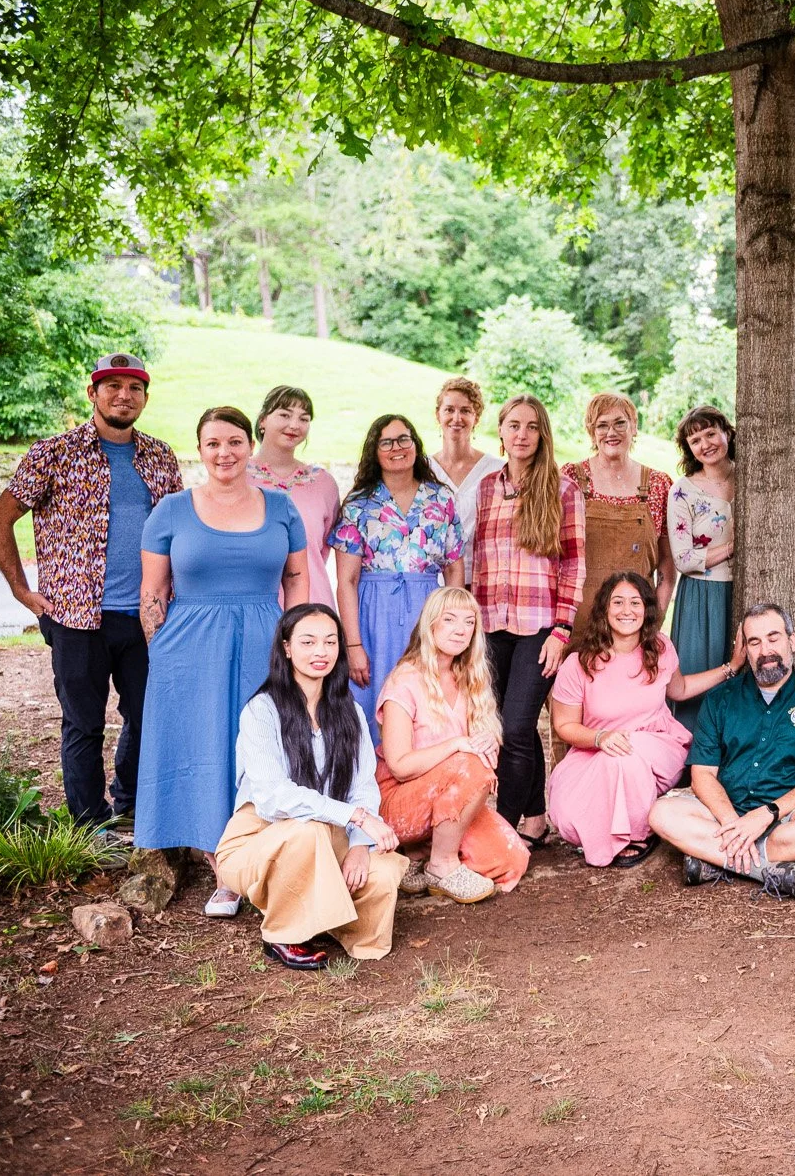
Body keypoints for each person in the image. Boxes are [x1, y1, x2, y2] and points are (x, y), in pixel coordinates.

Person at [0, 352, 182, 829]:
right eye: (111, 386)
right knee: (83, 722)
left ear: (144, 399)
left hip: (147, 616)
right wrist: (21, 590)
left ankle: (131, 804)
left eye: (133, 388)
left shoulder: (160, 456)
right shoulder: (53, 453)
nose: (123, 395)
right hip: (75, 615)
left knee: (147, 714)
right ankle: (89, 824)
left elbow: (177, 529)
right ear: (92, 394)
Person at [136, 407, 310, 918]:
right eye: (212, 443)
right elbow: (152, 592)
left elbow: (297, 578)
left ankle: (271, 857)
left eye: (234, 442)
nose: (224, 453)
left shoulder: (280, 508)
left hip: (264, 638)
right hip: (189, 647)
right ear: (199, 449)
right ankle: (225, 873)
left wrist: (297, 636)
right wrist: (162, 655)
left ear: (249, 447)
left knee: (261, 747)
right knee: (205, 746)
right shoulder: (170, 510)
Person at [217, 605, 406, 969]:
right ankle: (284, 933)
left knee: (377, 872)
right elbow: (274, 798)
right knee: (308, 832)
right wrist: (356, 817)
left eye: (329, 642)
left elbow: (363, 783)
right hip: (257, 840)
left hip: (326, 835)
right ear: (286, 648)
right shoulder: (262, 710)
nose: (320, 652)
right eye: (308, 642)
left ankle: (331, 922)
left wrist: (359, 845)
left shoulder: (347, 710)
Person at [648, 604, 795, 899]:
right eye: (754, 642)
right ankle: (768, 870)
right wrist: (733, 824)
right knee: (661, 814)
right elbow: (702, 774)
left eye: (773, 637)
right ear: (745, 649)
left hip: (785, 821)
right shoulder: (719, 700)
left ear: (792, 641)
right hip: (722, 817)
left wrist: (765, 815)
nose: (765, 650)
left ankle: (717, 861)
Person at [546, 572, 738, 867]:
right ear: (604, 610)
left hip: (657, 745)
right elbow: (564, 726)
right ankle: (607, 831)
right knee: (569, 809)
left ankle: (637, 832)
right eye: (618, 602)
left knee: (626, 755)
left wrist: (731, 668)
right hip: (597, 748)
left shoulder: (659, 648)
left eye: (635, 602)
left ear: (646, 609)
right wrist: (600, 738)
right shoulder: (579, 662)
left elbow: (681, 689)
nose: (627, 611)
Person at [473, 394, 585, 846]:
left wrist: (562, 629)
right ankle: (535, 819)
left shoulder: (562, 489)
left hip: (540, 624)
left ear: (543, 435)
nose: (522, 434)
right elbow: (474, 556)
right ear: (500, 431)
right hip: (491, 622)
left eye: (532, 427)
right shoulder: (485, 488)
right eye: (513, 425)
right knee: (504, 724)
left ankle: (501, 829)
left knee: (517, 725)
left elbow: (574, 563)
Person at [375, 586, 529, 902]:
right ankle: (439, 864)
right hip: (398, 802)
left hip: (448, 800)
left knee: (512, 860)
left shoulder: (470, 676)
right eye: (449, 620)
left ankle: (420, 856)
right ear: (430, 625)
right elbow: (400, 767)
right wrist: (459, 744)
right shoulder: (405, 679)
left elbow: (478, 765)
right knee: (468, 761)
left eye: (469, 622)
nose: (461, 630)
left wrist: (488, 742)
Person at [329, 415, 465, 732]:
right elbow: (346, 582)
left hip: (427, 611)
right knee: (371, 702)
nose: (397, 448)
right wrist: (352, 645)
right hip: (373, 614)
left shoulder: (440, 498)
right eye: (386, 442)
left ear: (415, 445)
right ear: (374, 451)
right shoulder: (358, 504)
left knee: (428, 699)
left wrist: (454, 623)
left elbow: (455, 567)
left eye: (404, 439)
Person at [563, 391, 675, 616]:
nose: (611, 433)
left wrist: (655, 618)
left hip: (634, 620)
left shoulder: (658, 484)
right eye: (602, 425)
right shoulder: (570, 479)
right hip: (579, 617)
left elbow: (667, 563)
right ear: (592, 432)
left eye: (620, 423)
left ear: (634, 426)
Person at [667, 405, 737, 724]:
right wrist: (735, 548)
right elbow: (684, 558)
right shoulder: (683, 490)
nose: (705, 444)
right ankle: (692, 759)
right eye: (695, 440)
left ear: (727, 433)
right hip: (702, 597)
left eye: (711, 433)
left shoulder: (753, 476)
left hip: (744, 592)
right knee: (699, 676)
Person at [247, 386, 341, 605]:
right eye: (285, 414)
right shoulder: (238, 476)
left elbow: (322, 549)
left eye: (304, 418)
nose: (294, 425)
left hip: (311, 604)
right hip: (254, 604)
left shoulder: (324, 483)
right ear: (263, 420)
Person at [429, 377, 506, 586]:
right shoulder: (423, 469)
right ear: (438, 415)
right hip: (433, 581)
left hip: (481, 581)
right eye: (449, 410)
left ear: (476, 418)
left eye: (465, 411)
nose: (457, 418)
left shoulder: (496, 470)